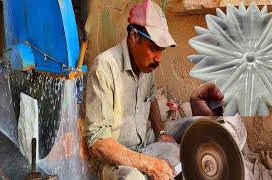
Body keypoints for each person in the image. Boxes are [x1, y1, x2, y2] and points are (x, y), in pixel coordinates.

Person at [85, 0, 223, 179]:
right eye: (153, 48)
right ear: (134, 37)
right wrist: (149, 164)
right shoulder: (104, 67)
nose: (158, 58)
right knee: (133, 178)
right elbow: (98, 143)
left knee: (194, 128)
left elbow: (150, 99)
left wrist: (161, 132)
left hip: (145, 143)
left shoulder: (146, 67)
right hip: (114, 158)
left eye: (162, 50)